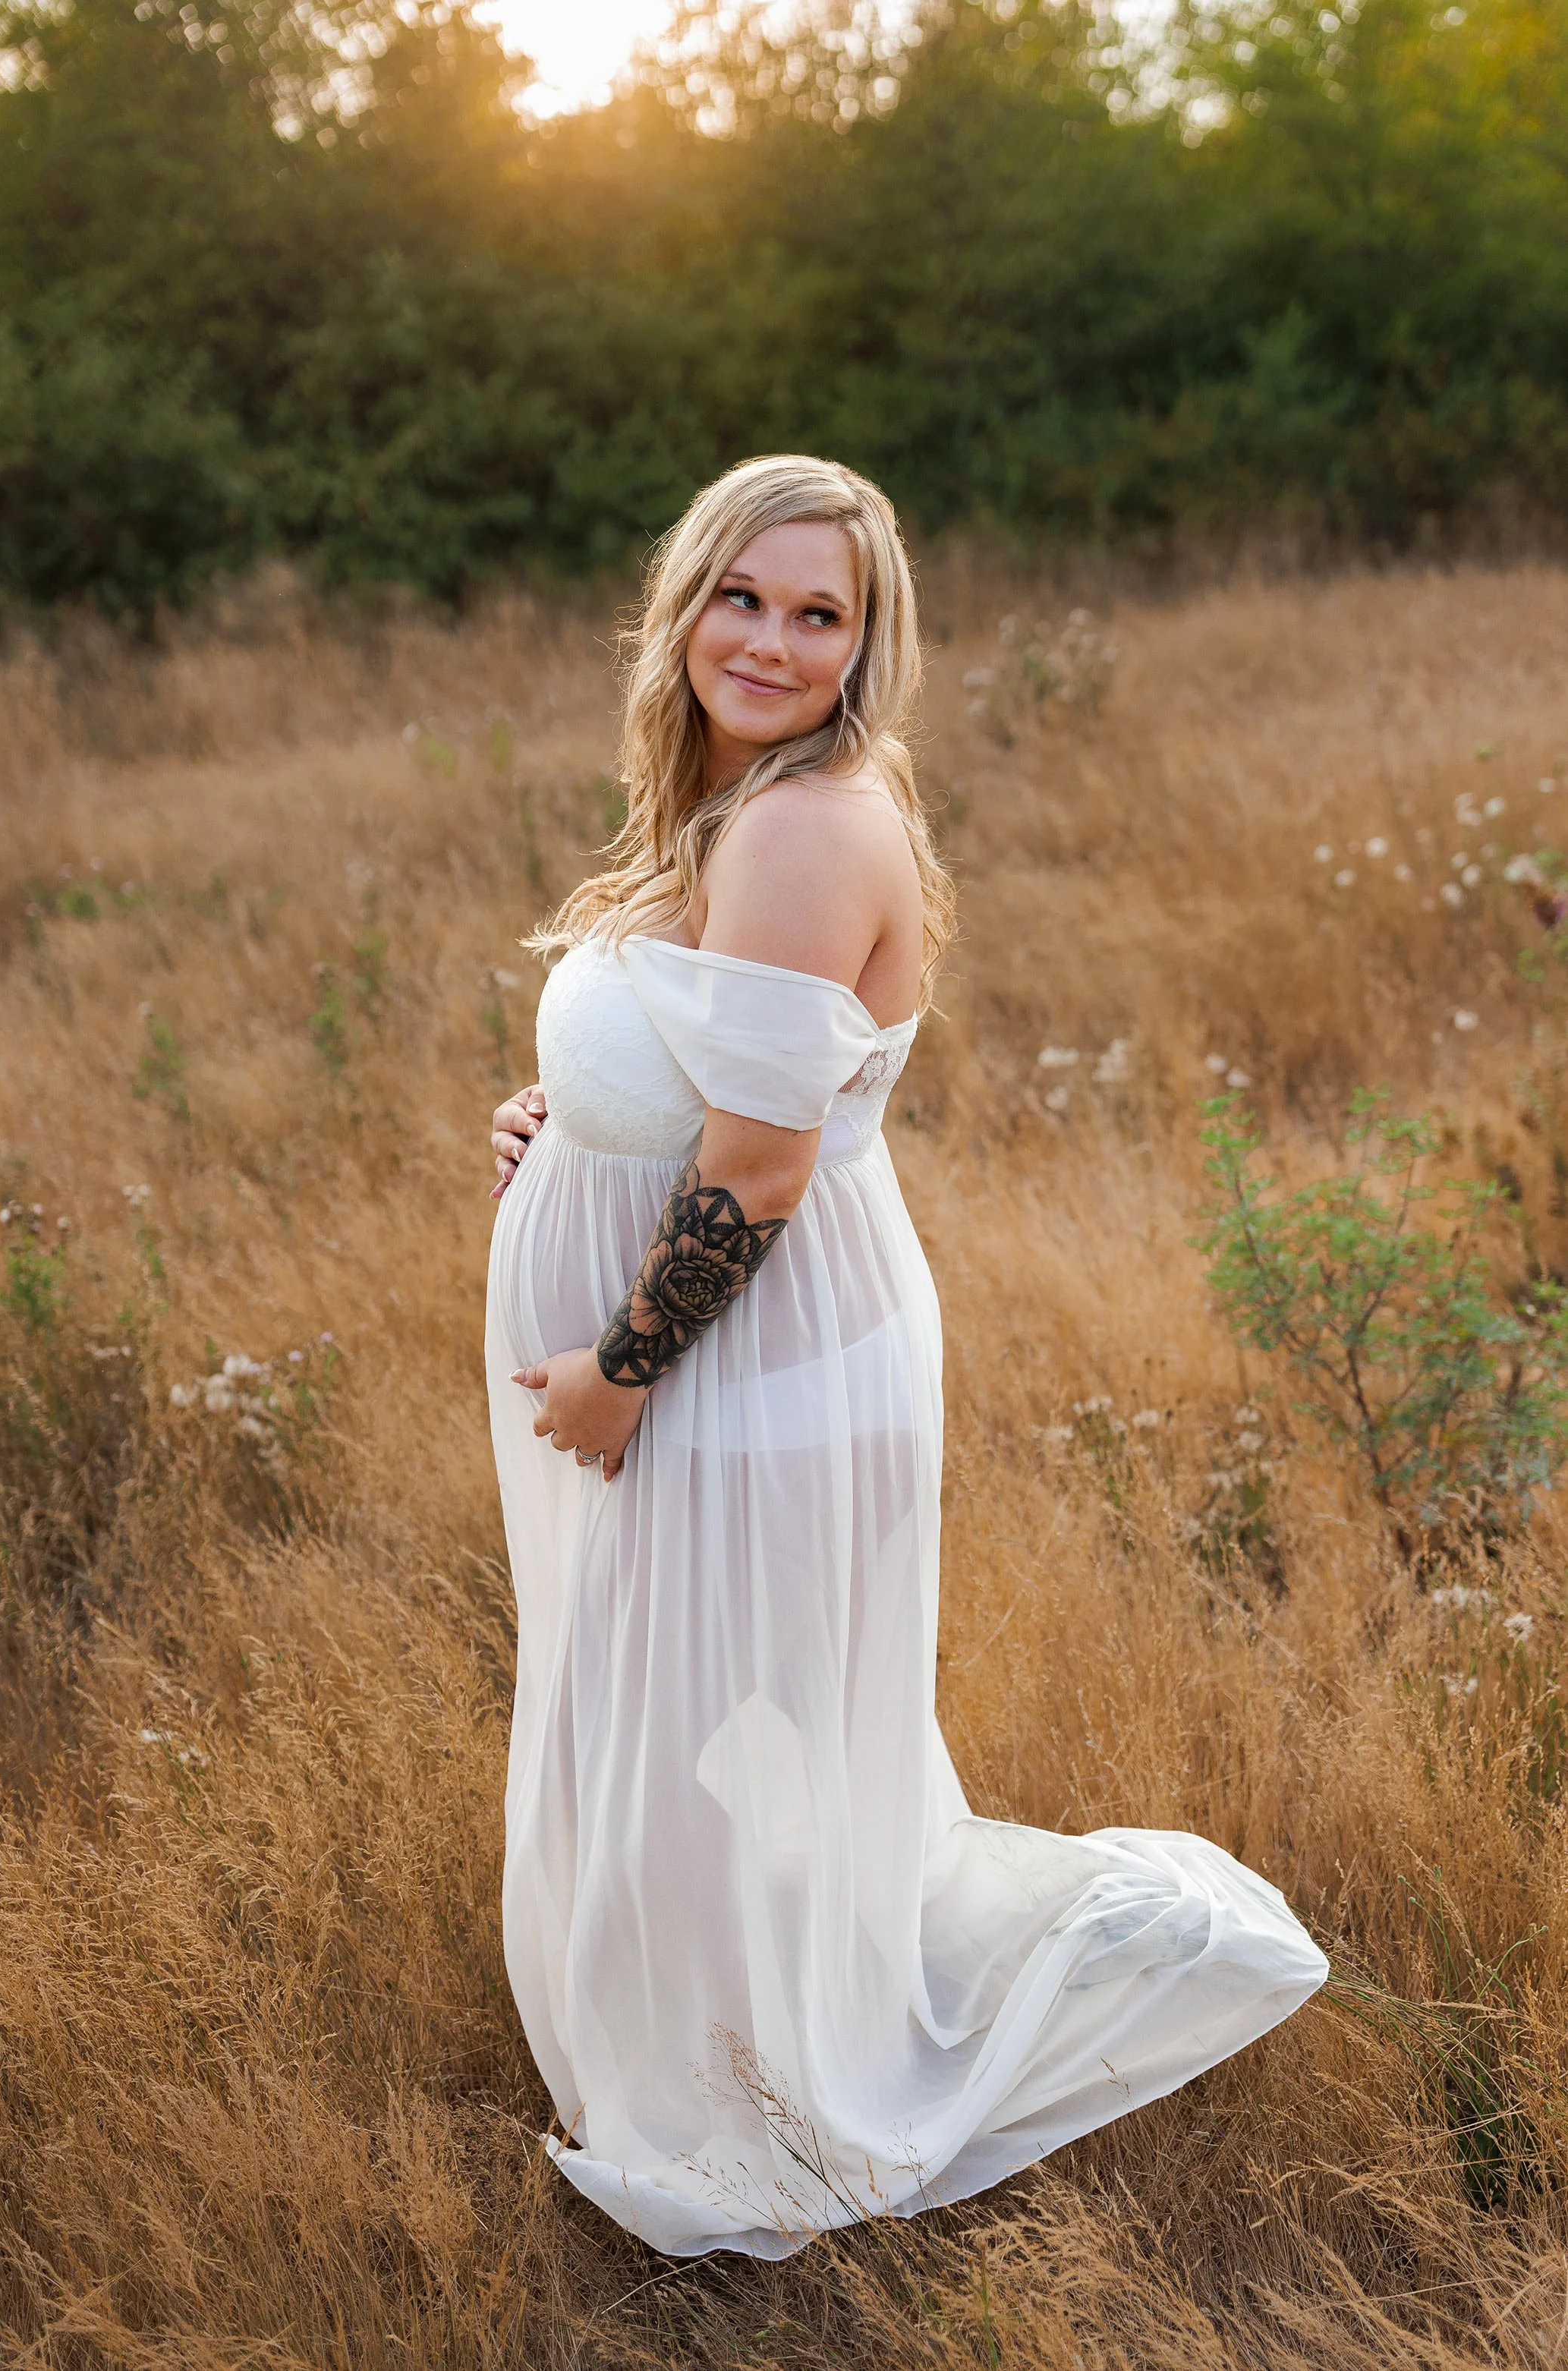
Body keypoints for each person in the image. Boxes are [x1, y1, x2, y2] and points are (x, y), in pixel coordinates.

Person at [483, 453, 1327, 2260]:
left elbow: (764, 1162)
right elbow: (721, 1069)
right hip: (746, 1336)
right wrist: (575, 1119)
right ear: (685, 597)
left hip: (746, 1358)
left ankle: (763, 2109)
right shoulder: (726, 798)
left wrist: (619, 1371)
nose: (770, 640)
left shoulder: (797, 823)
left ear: (868, 643)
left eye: (819, 612)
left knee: (700, 1737)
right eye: (743, 596)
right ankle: (732, 2030)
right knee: (698, 1726)